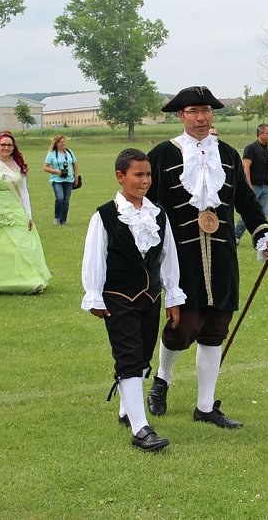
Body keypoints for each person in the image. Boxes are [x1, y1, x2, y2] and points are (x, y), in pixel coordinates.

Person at [146, 85, 268, 429]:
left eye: (206, 111)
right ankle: (162, 377)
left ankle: (205, 407)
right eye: (193, 111)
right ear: (181, 115)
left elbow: (247, 202)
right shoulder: (161, 155)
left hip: (222, 255)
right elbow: (148, 208)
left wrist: (266, 236)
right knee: (183, 326)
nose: (201, 118)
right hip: (180, 257)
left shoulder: (228, 155)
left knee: (215, 329)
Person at [81, 148, 186, 452]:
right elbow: (94, 256)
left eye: (148, 175)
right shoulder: (105, 216)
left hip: (150, 297)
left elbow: (168, 257)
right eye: (138, 175)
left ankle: (126, 410)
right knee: (128, 357)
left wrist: (172, 296)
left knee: (142, 358)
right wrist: (94, 294)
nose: (145, 181)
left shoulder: (158, 214)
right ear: (120, 176)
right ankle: (141, 429)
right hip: (118, 297)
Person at [0, 132, 50, 294]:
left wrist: (29, 215)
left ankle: (25, 278)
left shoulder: (18, 166)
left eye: (9, 145)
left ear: (13, 147)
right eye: (3, 144)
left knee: (21, 245)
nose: (6, 148)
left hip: (16, 210)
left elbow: (24, 191)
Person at [235, 123, 268, 245]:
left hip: (266, 186)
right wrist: (248, 185)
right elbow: (246, 167)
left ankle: (262, 239)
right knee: (249, 212)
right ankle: (236, 236)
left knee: (263, 214)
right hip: (254, 186)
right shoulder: (251, 148)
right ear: (260, 134)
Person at [43, 135, 79, 226]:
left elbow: (75, 164)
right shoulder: (52, 154)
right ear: (57, 143)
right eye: (61, 142)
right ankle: (57, 218)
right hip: (56, 180)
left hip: (69, 179)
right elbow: (45, 167)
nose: (63, 143)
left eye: (64, 141)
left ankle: (63, 220)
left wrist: (76, 176)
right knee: (60, 198)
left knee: (66, 200)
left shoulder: (69, 152)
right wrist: (56, 171)